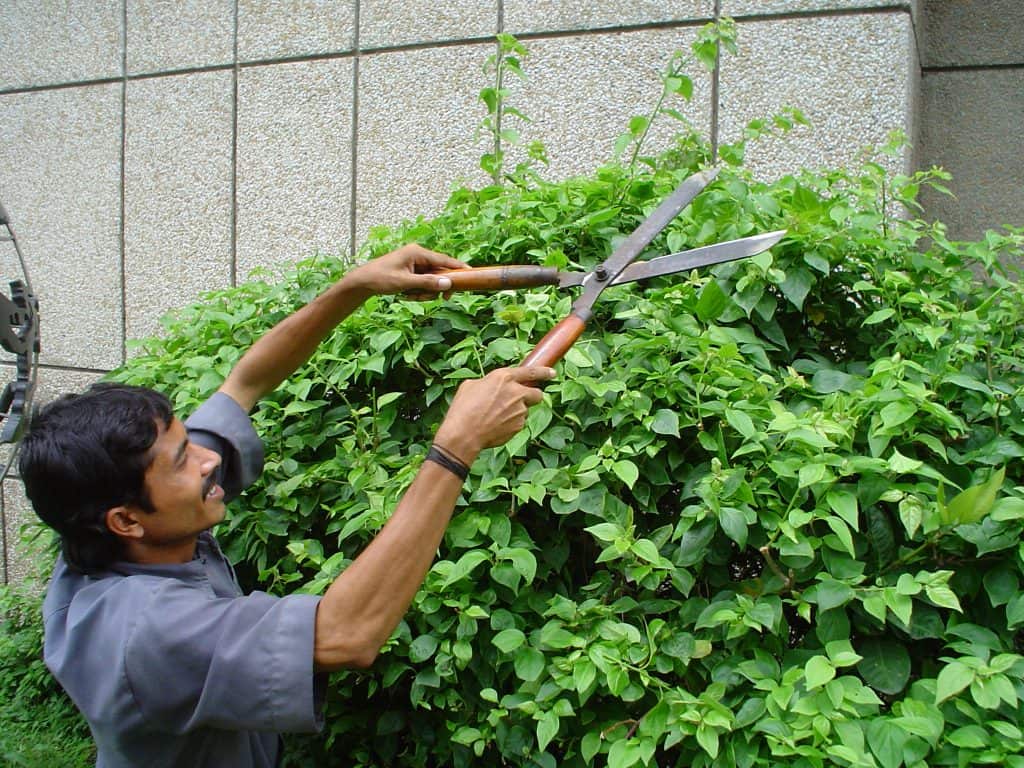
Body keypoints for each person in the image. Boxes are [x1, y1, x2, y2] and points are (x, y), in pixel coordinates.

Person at [18, 244, 555, 768]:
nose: (208, 460)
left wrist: (356, 287)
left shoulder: (116, 520)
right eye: (183, 460)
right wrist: (456, 448)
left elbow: (245, 382)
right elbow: (346, 634)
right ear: (126, 520)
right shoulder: (144, 632)